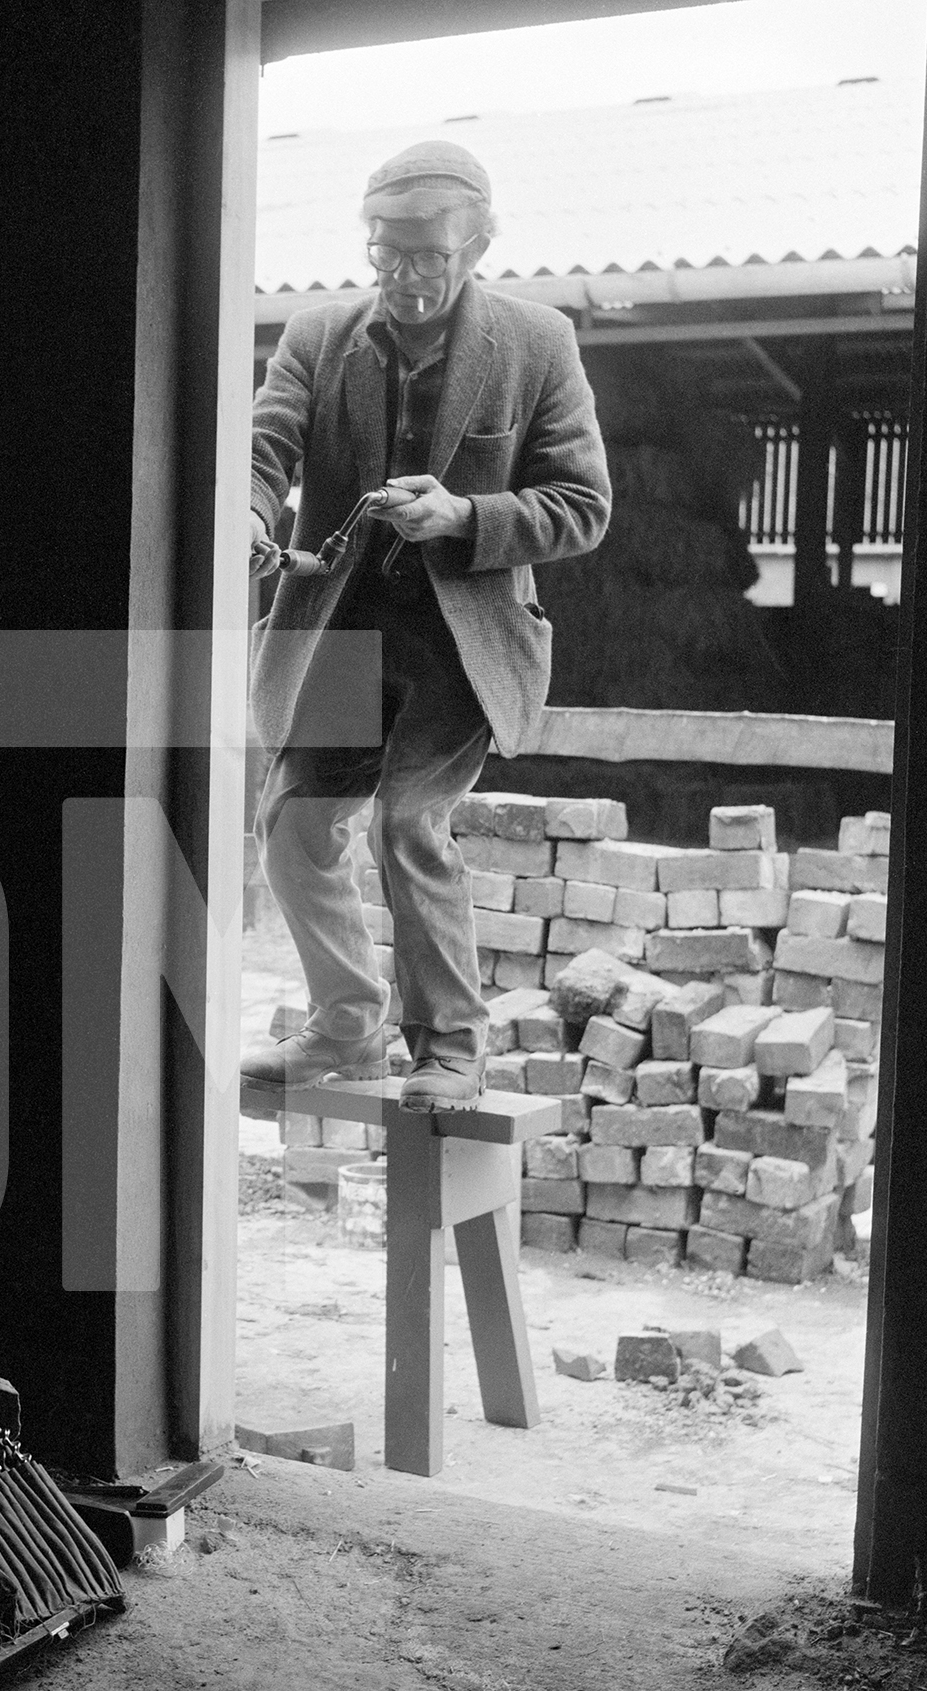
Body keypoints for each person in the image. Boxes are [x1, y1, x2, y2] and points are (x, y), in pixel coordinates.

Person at [240, 140, 610, 1111]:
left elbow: (581, 504)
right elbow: (264, 442)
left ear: (478, 246)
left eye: (428, 261)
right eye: (385, 256)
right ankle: (347, 1031)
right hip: (340, 627)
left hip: (463, 641)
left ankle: (450, 1044)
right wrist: (246, 510)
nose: (403, 280)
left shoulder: (538, 344)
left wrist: (466, 518)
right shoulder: (318, 338)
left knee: (407, 823)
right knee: (293, 825)